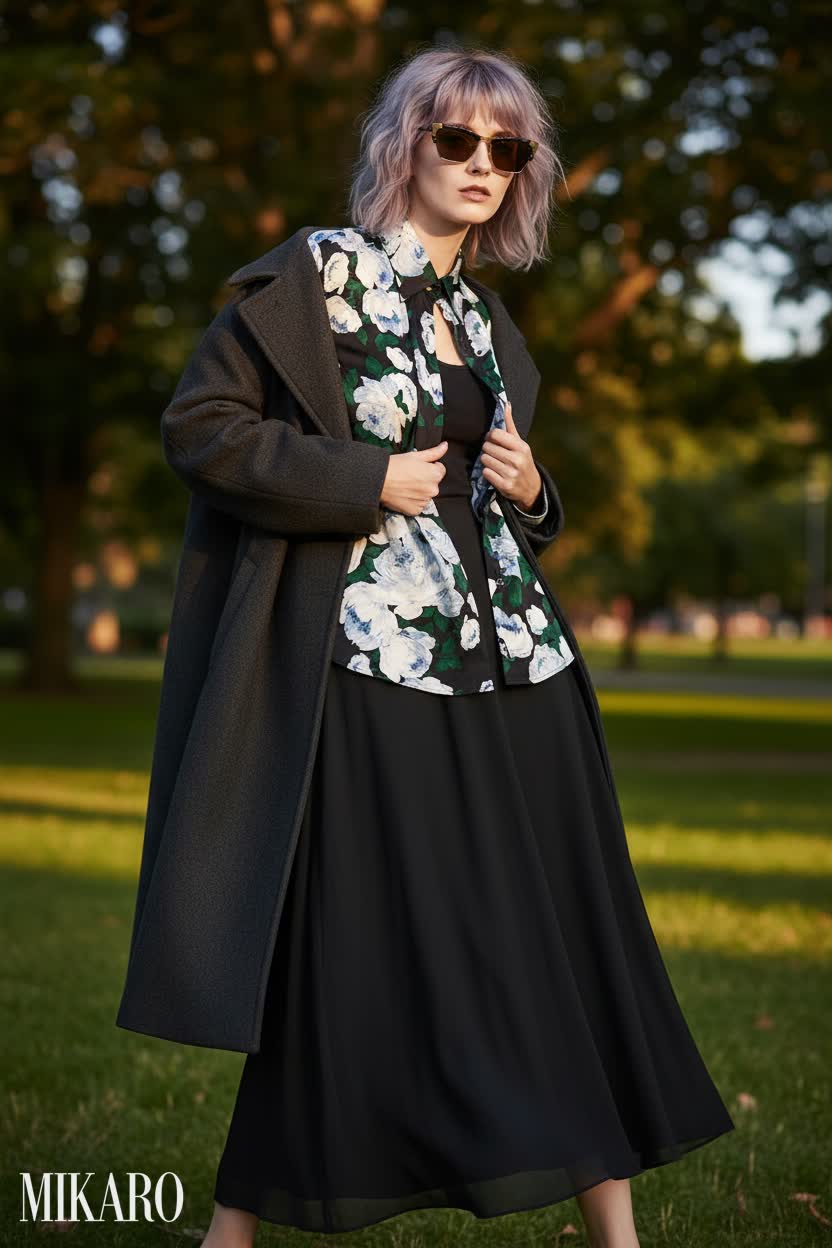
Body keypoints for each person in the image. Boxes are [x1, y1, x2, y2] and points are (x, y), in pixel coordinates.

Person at [120, 45, 735, 1248]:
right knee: (351, 943)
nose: (483, 166)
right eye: (458, 139)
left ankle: (617, 1231)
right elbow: (200, 427)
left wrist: (534, 487)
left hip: (520, 669)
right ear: (405, 145)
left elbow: (490, 512)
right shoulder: (316, 276)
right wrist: (360, 479)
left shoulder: (486, 322)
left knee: (565, 927)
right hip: (370, 660)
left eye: (508, 150)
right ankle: (233, 1229)